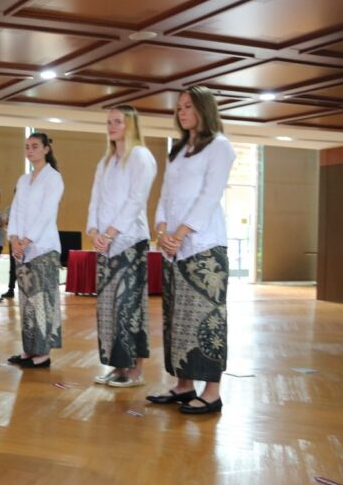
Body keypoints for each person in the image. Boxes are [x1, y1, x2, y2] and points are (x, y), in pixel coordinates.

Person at [147, 86, 236, 415]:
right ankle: (184, 385)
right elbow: (165, 195)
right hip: (174, 248)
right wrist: (161, 232)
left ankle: (212, 393)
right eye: (179, 107)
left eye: (188, 106)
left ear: (204, 109)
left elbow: (210, 195)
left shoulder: (220, 146)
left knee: (207, 320)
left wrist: (180, 234)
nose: (181, 112)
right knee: (177, 318)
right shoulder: (179, 149)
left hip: (204, 247)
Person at [87, 106, 157, 388]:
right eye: (109, 122)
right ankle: (117, 366)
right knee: (109, 309)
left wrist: (111, 232)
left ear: (131, 125)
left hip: (130, 241)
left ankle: (135, 371)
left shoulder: (140, 156)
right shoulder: (105, 162)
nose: (112, 126)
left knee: (129, 305)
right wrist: (94, 231)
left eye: (118, 121)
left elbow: (136, 200)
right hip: (105, 244)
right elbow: (95, 199)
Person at [7, 133, 64, 369]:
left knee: (43, 301)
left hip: (43, 247)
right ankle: (29, 349)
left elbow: (47, 212)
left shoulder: (53, 178)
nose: (30, 150)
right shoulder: (23, 180)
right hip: (23, 249)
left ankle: (43, 353)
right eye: (27, 147)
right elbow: (16, 211)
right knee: (27, 302)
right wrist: (14, 239)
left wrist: (27, 239)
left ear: (46, 149)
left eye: (35, 146)